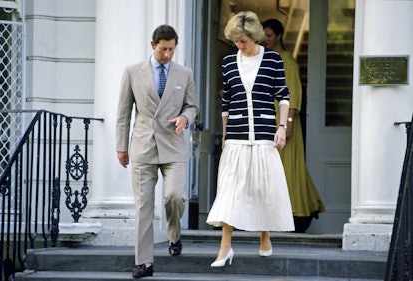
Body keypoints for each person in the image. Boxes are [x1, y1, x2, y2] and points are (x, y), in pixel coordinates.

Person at [206, 11, 295, 267]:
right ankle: (225, 248)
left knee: (262, 188)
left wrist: (281, 127)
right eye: (236, 41)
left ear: (254, 36)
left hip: (266, 133)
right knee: (230, 192)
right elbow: (227, 102)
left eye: (243, 40)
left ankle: (265, 236)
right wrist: (224, 135)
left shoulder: (273, 60)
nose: (239, 45)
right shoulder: (228, 62)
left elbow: (284, 96)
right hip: (236, 135)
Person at [116, 24, 197, 278]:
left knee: (175, 196)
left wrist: (186, 117)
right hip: (143, 146)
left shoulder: (185, 73)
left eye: (172, 49)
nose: (167, 55)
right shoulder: (132, 72)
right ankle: (145, 262)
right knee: (144, 207)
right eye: (163, 49)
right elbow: (123, 113)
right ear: (153, 46)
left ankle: (174, 235)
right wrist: (121, 146)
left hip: (173, 145)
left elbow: (192, 106)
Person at [262, 19, 325, 233]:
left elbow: (293, 94)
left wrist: (286, 123)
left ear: (279, 36)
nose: (266, 40)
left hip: (284, 124)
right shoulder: (268, 60)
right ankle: (298, 210)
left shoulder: (287, 61)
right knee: (279, 170)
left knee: (287, 170)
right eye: (264, 36)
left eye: (269, 35)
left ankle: (297, 214)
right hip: (270, 123)